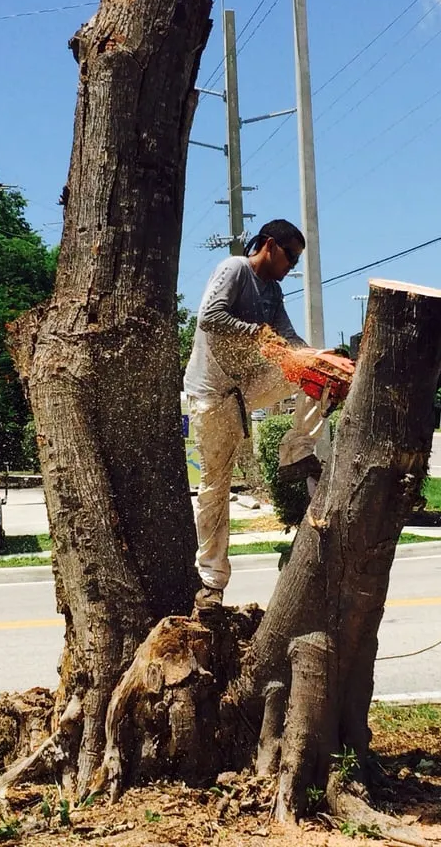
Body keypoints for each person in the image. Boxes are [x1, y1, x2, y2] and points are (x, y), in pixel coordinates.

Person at [184, 219, 326, 611]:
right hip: (211, 395)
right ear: (269, 245)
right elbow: (209, 318)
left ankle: (296, 450)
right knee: (216, 485)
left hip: (244, 391)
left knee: (313, 372)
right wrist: (256, 334)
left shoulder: (274, 291)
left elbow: (290, 341)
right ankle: (211, 581)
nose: (293, 265)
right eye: (291, 255)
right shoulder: (234, 269)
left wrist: (319, 357)